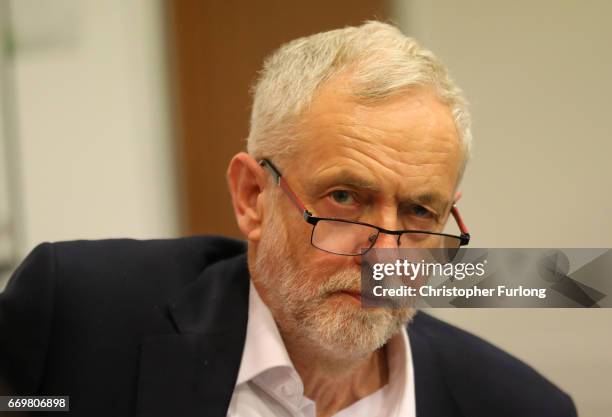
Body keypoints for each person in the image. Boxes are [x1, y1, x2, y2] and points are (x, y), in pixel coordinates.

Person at [0, 21, 576, 417]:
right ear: (252, 195)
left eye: (419, 210)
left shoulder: (518, 405)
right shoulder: (80, 319)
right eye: (345, 198)